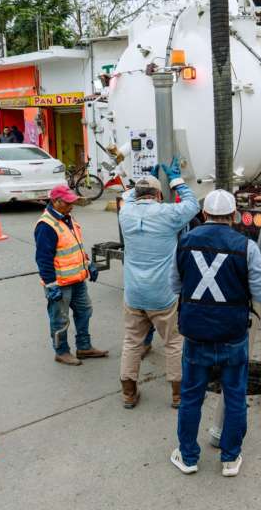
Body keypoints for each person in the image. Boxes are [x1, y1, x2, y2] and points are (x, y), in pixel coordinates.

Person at [169, 189, 261, 477]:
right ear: (233, 216)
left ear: (204, 214)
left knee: (191, 397)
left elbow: (175, 286)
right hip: (233, 334)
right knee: (235, 396)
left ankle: (188, 457)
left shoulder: (184, 242)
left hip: (195, 334)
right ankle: (230, 459)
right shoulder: (247, 247)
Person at [117, 158, 199, 409]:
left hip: (134, 293)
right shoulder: (168, 214)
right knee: (173, 343)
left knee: (132, 342)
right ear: (158, 195)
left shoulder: (125, 213)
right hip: (163, 294)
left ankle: (128, 393)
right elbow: (193, 204)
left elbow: (129, 196)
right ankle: (177, 395)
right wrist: (175, 180)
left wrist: (143, 181)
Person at [34, 184, 107, 365]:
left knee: (85, 311)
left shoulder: (68, 218)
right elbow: (43, 259)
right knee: (60, 320)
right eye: (67, 203)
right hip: (60, 284)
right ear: (55, 202)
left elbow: (75, 246)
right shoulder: (46, 226)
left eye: (72, 202)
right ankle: (61, 352)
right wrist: (51, 285)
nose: (71, 206)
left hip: (77, 279)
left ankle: (84, 347)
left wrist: (88, 264)